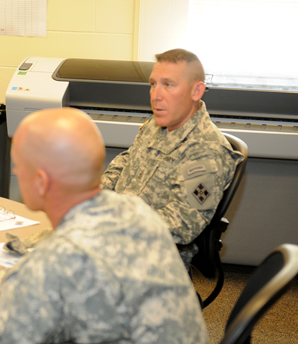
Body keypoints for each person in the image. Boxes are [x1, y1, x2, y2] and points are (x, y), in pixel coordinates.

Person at [0, 107, 209, 344]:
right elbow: (22, 276)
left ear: (41, 182)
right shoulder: (134, 211)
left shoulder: (57, 261)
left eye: (20, 164)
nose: (15, 169)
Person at [101, 48, 244, 269]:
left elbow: (182, 223)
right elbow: (127, 160)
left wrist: (116, 223)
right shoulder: (159, 123)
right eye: (153, 84)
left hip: (152, 262)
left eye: (168, 85)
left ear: (196, 91)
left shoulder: (206, 152)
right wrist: (95, 193)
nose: (155, 95)